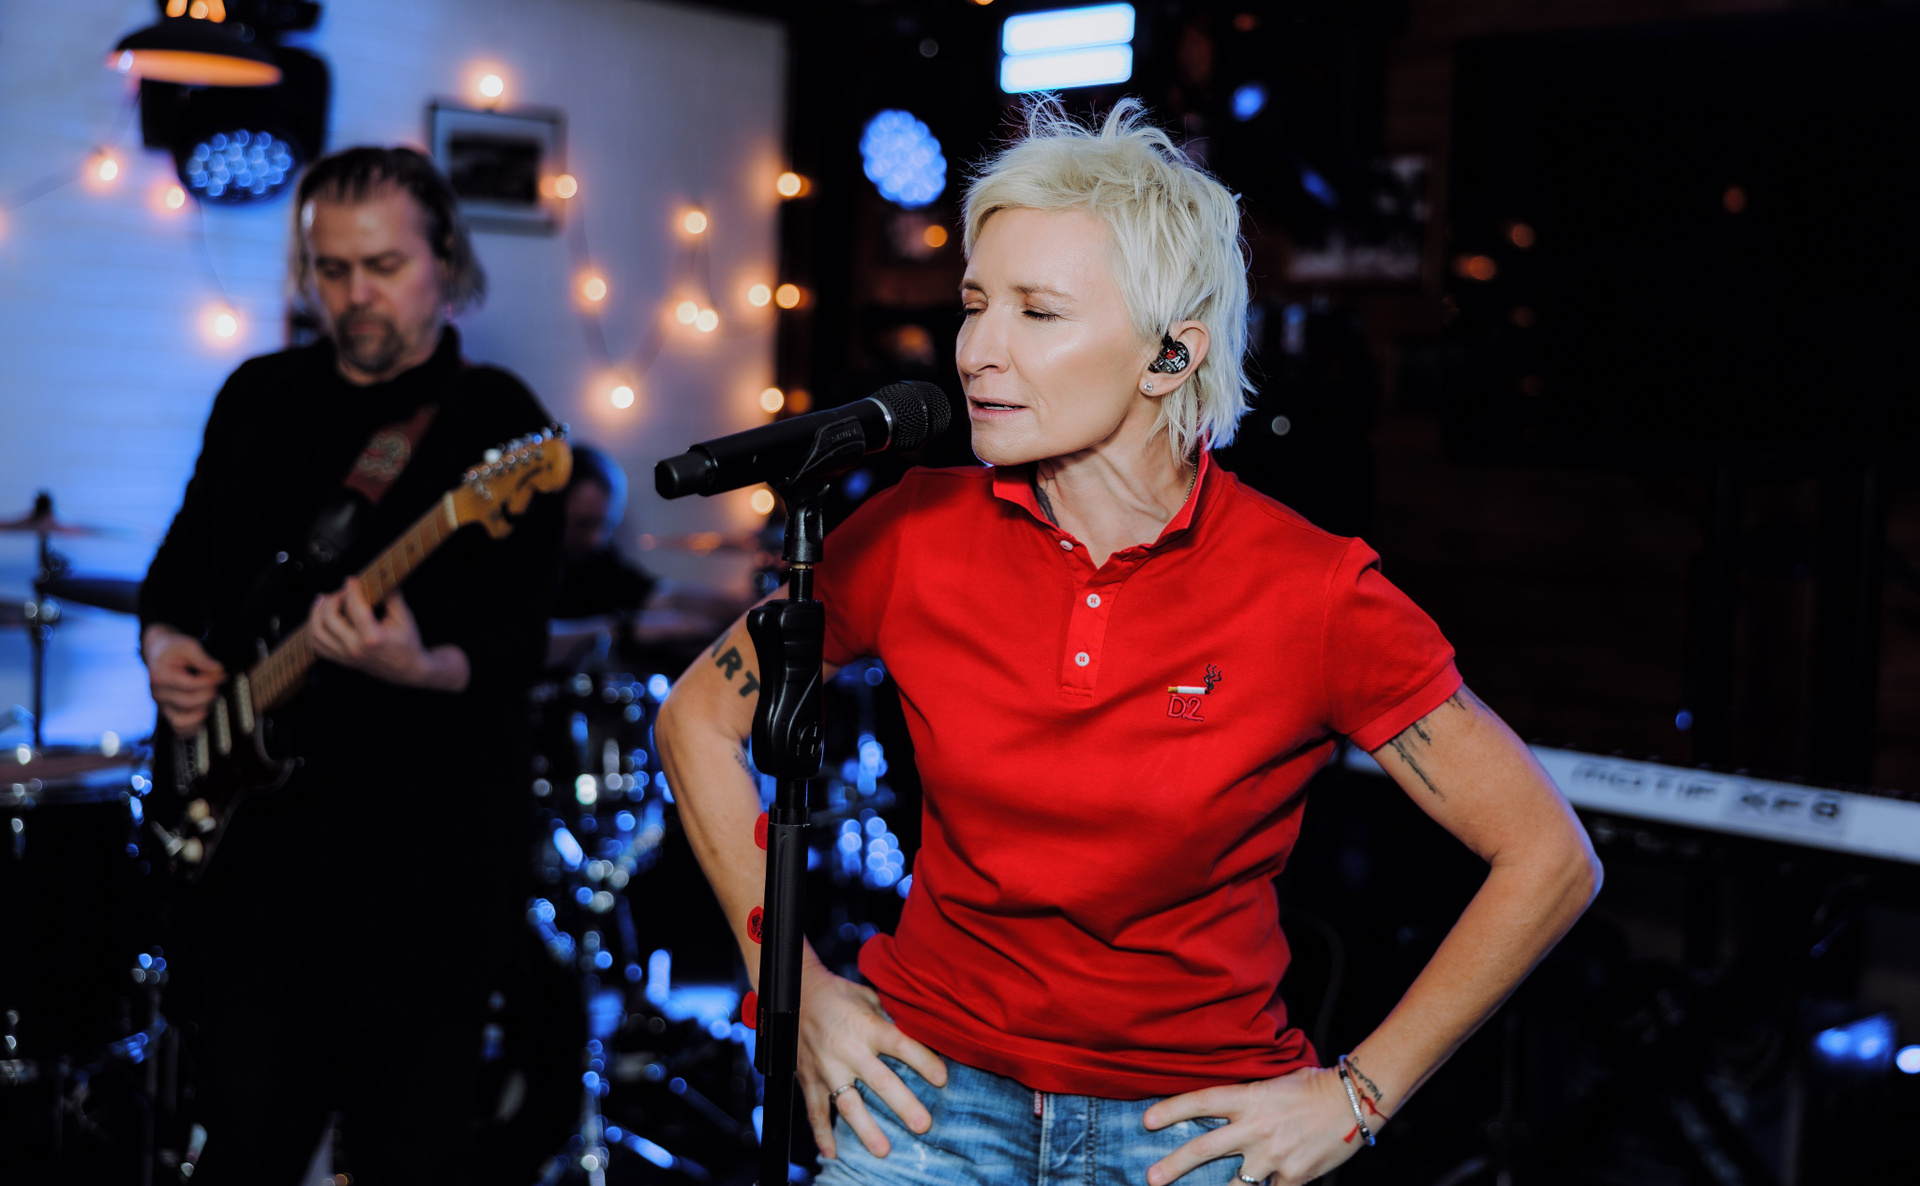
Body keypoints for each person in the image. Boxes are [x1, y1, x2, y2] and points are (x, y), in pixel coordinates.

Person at [656, 99, 1601, 1186]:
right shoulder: (912, 532)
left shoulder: (1314, 590)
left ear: (1168, 356)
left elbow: (1548, 857)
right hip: (927, 1099)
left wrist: (1359, 1094)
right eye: (975, 305)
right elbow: (696, 720)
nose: (978, 351)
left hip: (1189, 1133)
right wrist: (798, 990)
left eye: (1038, 312)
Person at [138, 147, 563, 1184]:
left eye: (383, 265)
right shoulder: (258, 395)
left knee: (408, 1150)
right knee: (246, 1140)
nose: (355, 293)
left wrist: (420, 665)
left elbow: (518, 641)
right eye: (332, 270)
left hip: (425, 862)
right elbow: (181, 565)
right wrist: (165, 648)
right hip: (257, 853)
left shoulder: (497, 422)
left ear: (444, 261)